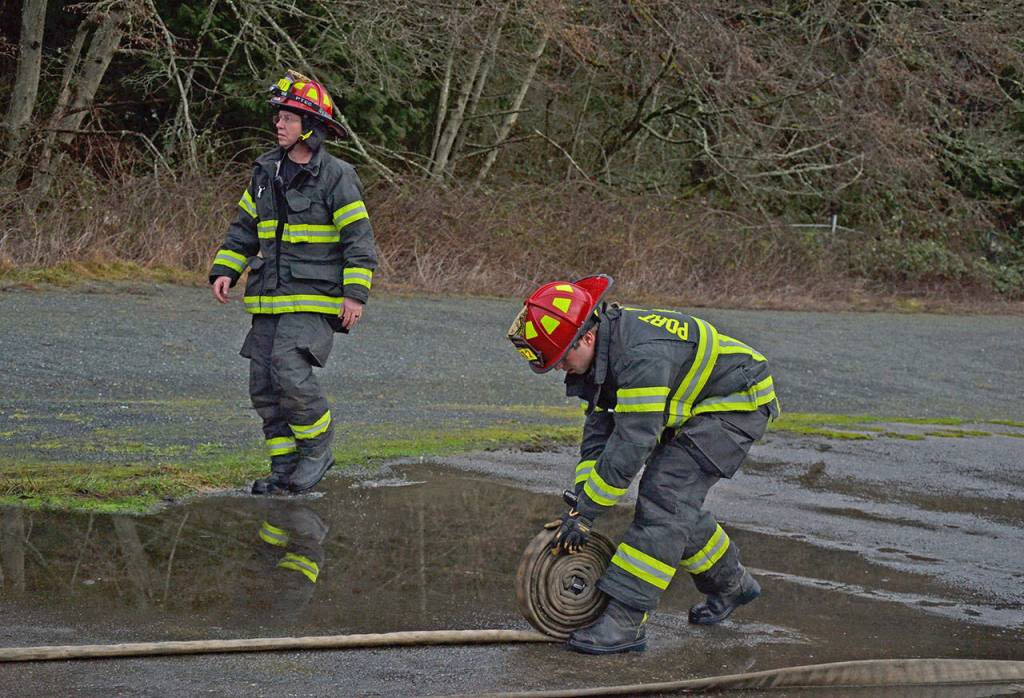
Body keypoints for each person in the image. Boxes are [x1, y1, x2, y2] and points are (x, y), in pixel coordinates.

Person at [507, 275, 779, 654]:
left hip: (737, 404)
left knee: (666, 492)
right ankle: (731, 584)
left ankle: (627, 619)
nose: (559, 369)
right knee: (675, 504)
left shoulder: (638, 356)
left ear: (586, 337)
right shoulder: (606, 349)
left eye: (562, 358)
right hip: (697, 404)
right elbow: (601, 432)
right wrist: (582, 502)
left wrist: (587, 514)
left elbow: (633, 442)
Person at [209, 70, 378, 495]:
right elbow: (245, 226)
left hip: (315, 298)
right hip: (269, 297)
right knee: (262, 382)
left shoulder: (337, 176)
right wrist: (226, 268)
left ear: (311, 128)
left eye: (287, 118)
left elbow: (359, 240)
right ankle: (283, 466)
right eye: (278, 117)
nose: (278, 125)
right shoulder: (266, 171)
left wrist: (355, 296)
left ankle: (318, 449)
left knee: (289, 370)